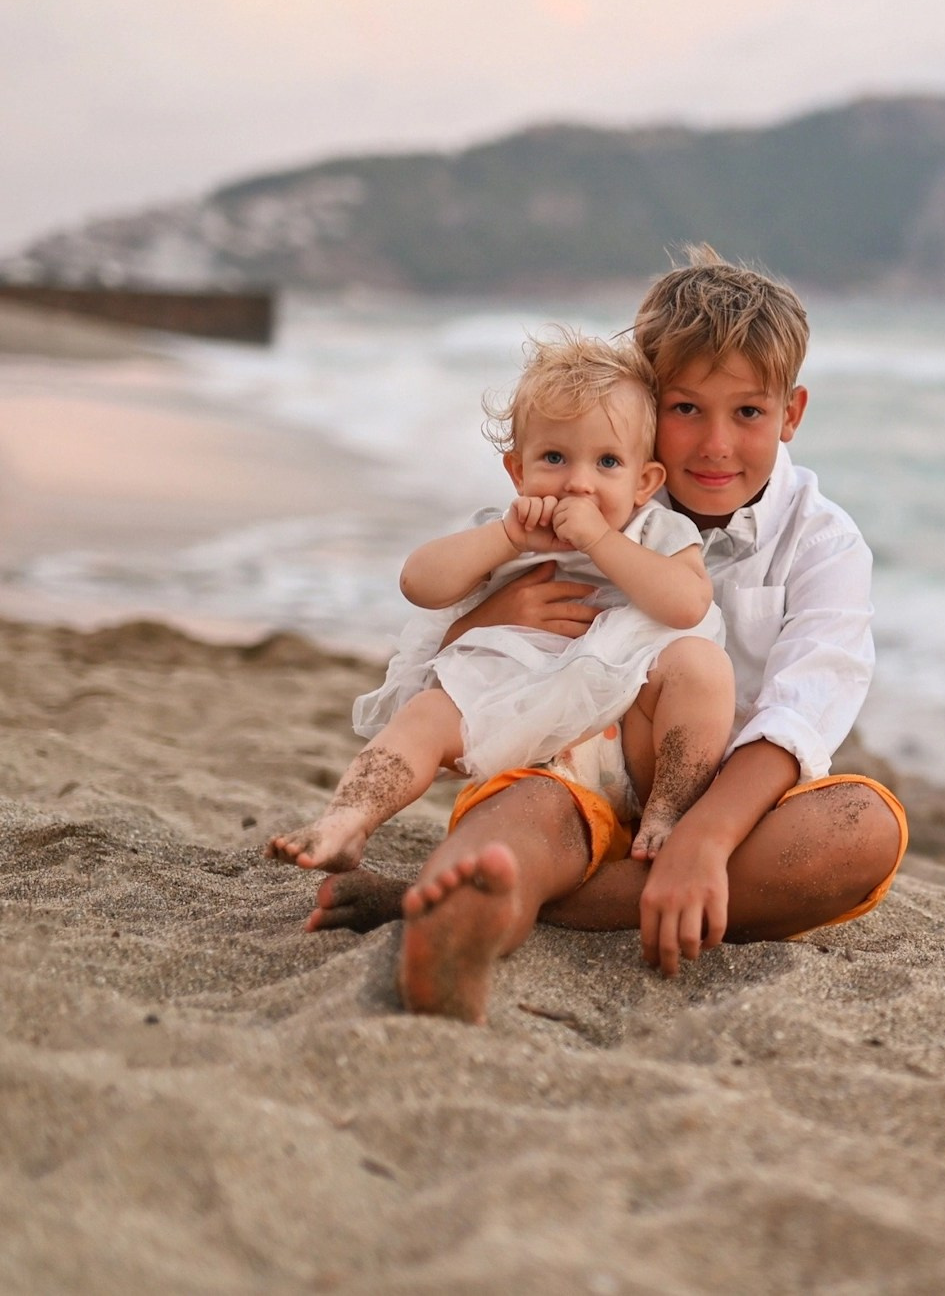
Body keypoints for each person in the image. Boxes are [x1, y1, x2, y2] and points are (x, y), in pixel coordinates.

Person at [305, 249, 910, 1024]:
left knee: (864, 828)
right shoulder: (582, 500)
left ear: (790, 413)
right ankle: (467, 912)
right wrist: (485, 620)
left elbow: (802, 711)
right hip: (571, 771)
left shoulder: (823, 543)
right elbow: (449, 630)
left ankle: (482, 898)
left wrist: (705, 841)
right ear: (650, 405)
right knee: (526, 816)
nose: (716, 444)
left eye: (749, 413)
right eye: (687, 410)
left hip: (713, 803)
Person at [267, 333, 729, 876]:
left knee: (702, 667)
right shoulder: (508, 530)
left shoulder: (656, 529)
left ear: (644, 481)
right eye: (554, 457)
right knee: (424, 714)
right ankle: (346, 820)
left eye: (607, 462)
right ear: (518, 472)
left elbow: (688, 605)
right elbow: (419, 582)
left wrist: (603, 543)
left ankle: (669, 813)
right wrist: (507, 540)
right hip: (525, 732)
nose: (578, 482)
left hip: (627, 739)